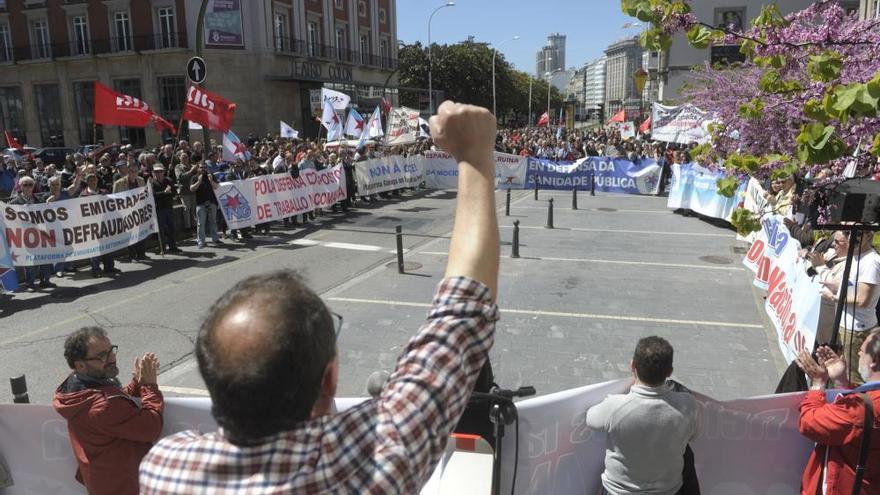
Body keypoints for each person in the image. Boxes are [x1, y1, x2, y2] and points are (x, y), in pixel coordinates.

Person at [139, 101, 500, 493]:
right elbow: (460, 316)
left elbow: (464, 315)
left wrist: (473, 158)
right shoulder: (369, 463)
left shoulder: (164, 467)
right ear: (329, 379)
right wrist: (475, 156)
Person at [53, 327, 164, 495]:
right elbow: (151, 427)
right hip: (124, 486)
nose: (111, 358)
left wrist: (136, 384)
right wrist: (149, 386)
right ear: (81, 365)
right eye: (101, 356)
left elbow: (117, 404)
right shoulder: (103, 405)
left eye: (111, 350)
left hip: (105, 483)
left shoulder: (76, 386)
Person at [586, 336, 698, 495]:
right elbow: (693, 435)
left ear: (632, 365)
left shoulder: (614, 407)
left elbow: (590, 418)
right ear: (670, 372)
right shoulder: (688, 405)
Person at [795, 331, 880, 495]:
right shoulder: (865, 407)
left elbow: (810, 422)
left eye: (861, 351)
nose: (858, 354)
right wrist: (842, 382)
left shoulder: (862, 410)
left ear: (874, 361)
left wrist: (818, 384)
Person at [821, 230, 880, 384]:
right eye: (848, 233)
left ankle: (853, 406)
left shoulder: (871, 262)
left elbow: (862, 300)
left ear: (869, 235)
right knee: (841, 370)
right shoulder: (856, 255)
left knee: (853, 377)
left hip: (856, 330)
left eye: (857, 234)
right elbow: (854, 287)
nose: (851, 237)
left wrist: (835, 297)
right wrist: (837, 287)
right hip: (847, 326)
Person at [9, 176, 54, 290]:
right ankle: (30, 283)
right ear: (20, 186)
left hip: (42, 234)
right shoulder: (14, 202)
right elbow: (10, 220)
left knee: (45, 258)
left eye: (30, 184)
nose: (28, 187)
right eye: (25, 184)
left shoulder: (40, 200)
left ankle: (45, 280)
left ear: (33, 186)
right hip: (25, 236)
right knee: (30, 261)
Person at [113, 160, 148, 261]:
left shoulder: (141, 180)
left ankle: (142, 254)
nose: (134, 173)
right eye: (131, 171)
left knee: (142, 233)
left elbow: (144, 195)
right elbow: (115, 198)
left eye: (136, 171)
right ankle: (132, 255)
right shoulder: (119, 183)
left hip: (139, 211)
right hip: (127, 213)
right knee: (131, 236)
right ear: (127, 172)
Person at [149, 164, 181, 254]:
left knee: (171, 228)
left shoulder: (169, 181)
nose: (158, 173)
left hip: (169, 208)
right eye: (156, 172)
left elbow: (174, 193)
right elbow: (154, 195)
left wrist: (167, 193)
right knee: (161, 230)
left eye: (160, 171)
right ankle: (162, 248)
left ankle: (173, 246)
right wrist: (165, 192)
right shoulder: (152, 183)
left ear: (163, 172)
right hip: (159, 209)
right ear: (153, 173)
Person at [190, 161, 221, 248]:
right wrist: (199, 181)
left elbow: (217, 187)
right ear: (198, 168)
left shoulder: (211, 176)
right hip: (200, 204)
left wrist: (211, 180)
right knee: (201, 224)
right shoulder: (194, 177)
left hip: (212, 202)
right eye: (201, 167)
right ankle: (201, 241)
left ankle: (215, 239)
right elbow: (192, 189)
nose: (203, 169)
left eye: (205, 167)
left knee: (213, 222)